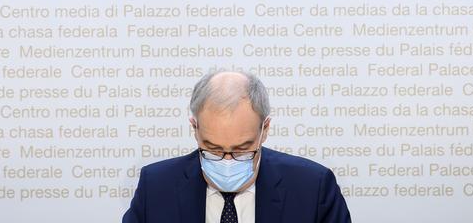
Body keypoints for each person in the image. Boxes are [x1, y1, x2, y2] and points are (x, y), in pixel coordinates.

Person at [123, 70, 351, 223]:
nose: (227, 161)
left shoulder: (313, 188)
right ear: (195, 128)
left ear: (265, 129)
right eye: (213, 149)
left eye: (242, 149)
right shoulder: (155, 187)